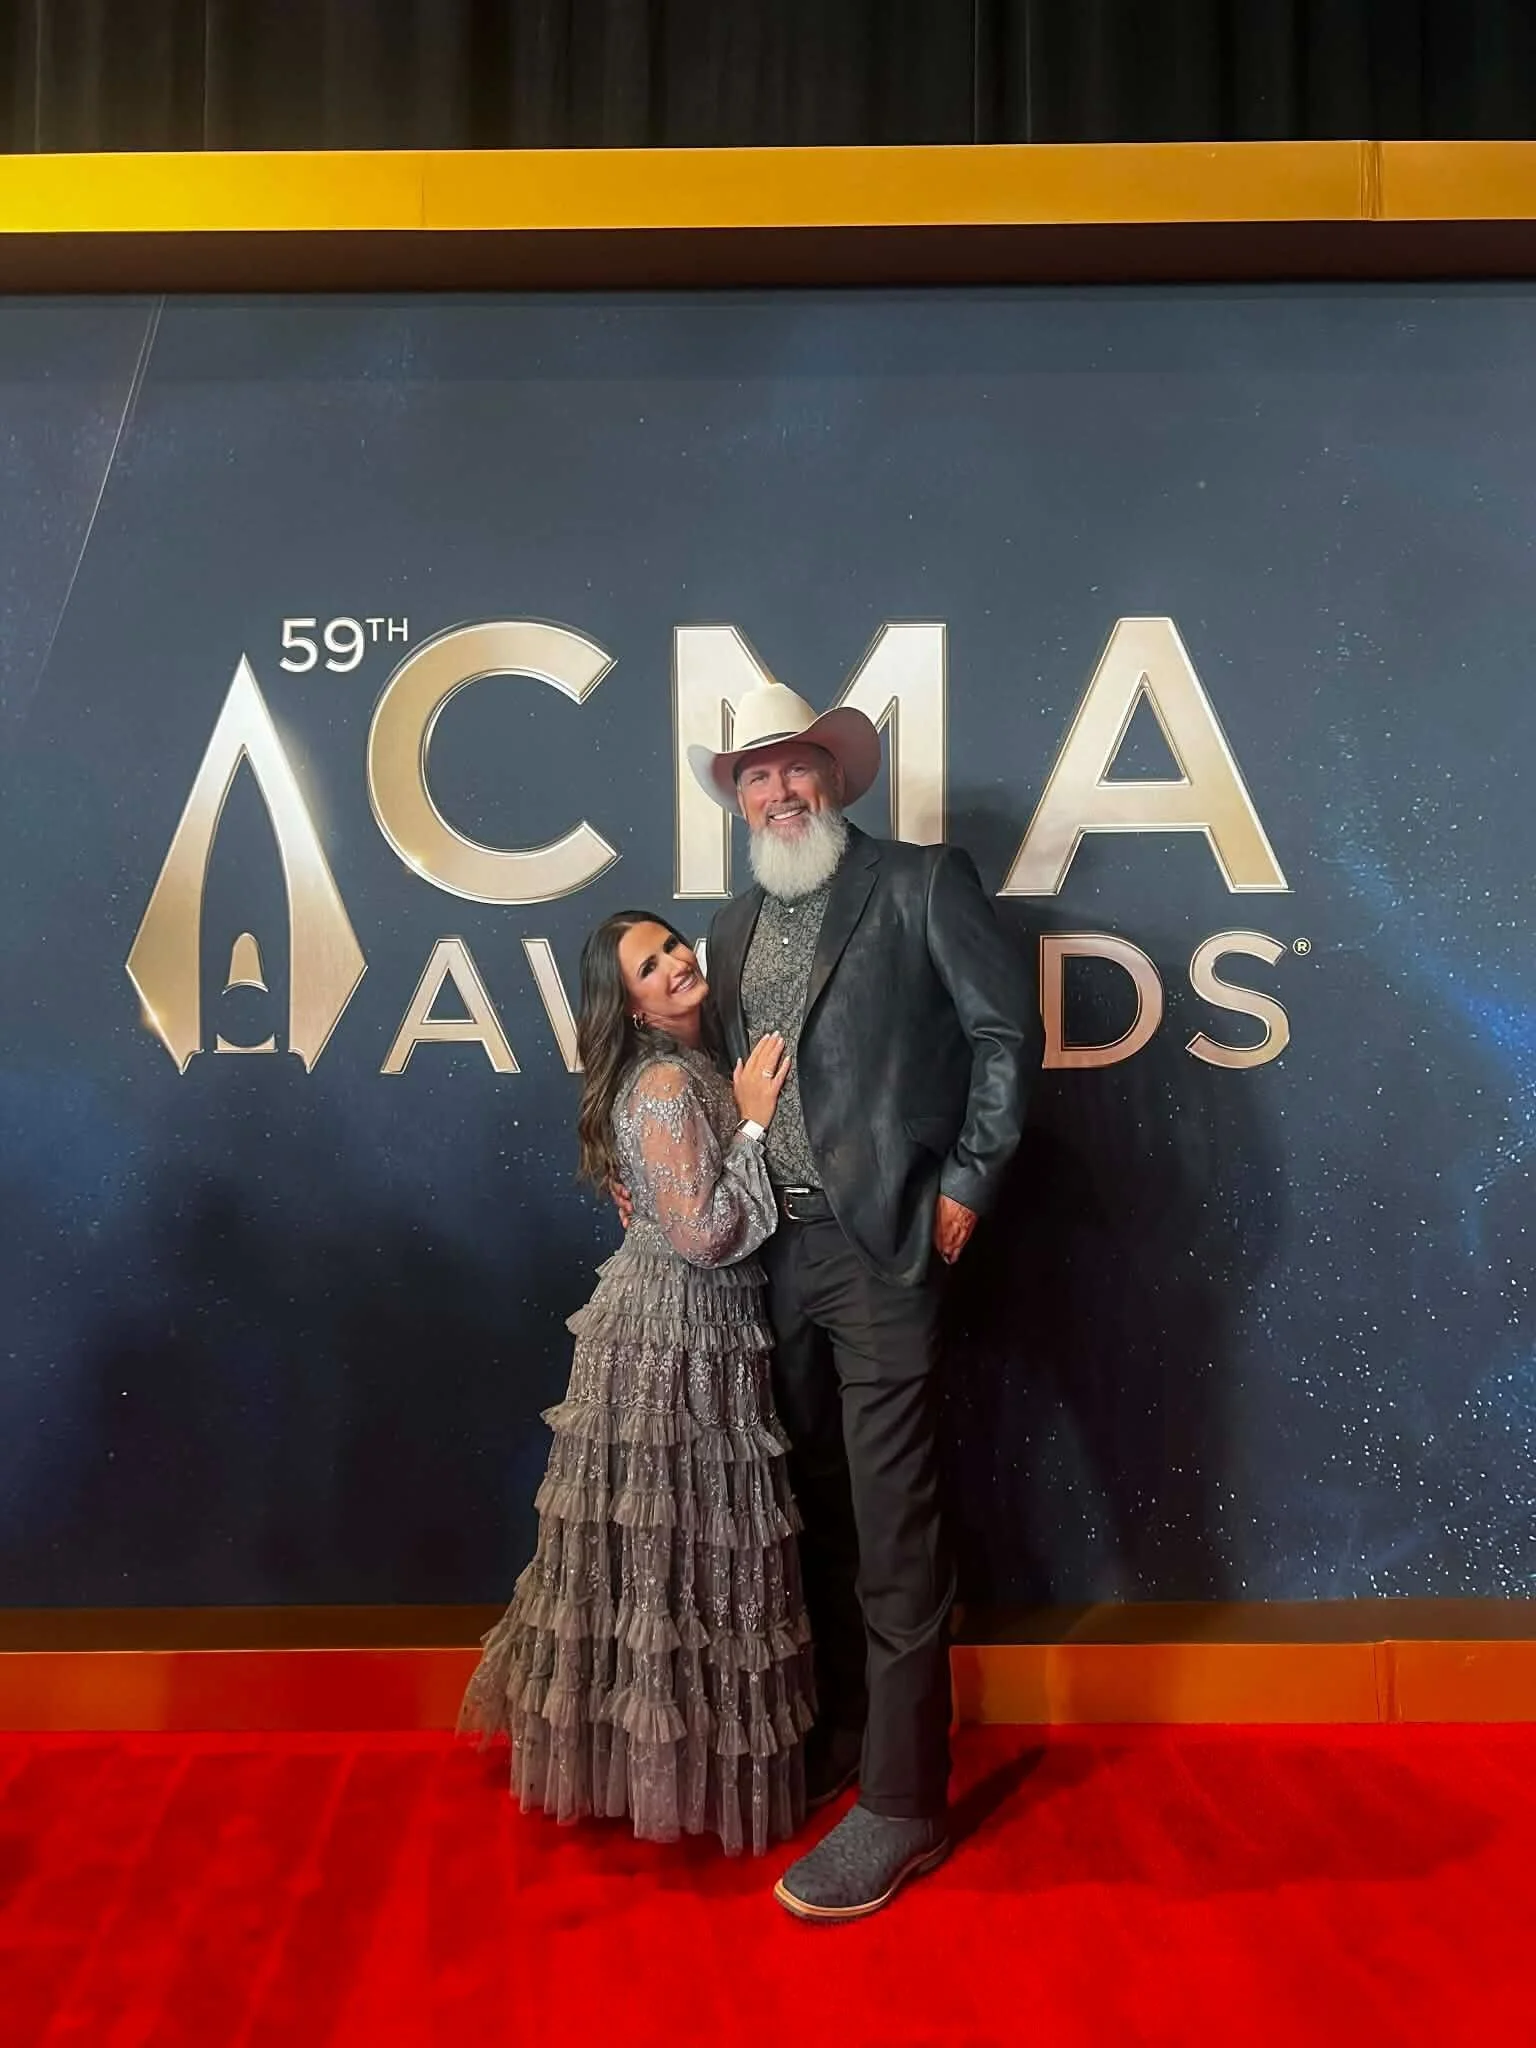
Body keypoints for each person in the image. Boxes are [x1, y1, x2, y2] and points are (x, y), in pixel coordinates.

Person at [687, 676, 1031, 1920]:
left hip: (883, 1247)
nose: (779, 790)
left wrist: (974, 1177)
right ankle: (839, 1739)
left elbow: (1005, 1031)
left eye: (796, 767)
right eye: (756, 775)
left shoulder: (919, 882)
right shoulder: (729, 927)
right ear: (739, 798)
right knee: (810, 1510)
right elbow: (713, 1088)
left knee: (896, 1527)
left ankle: (904, 1802)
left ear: (832, 775)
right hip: (767, 1260)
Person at [459, 910, 815, 1857]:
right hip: (669, 1337)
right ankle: (654, 1778)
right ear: (629, 1003)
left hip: (700, 1328)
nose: (674, 965)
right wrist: (750, 1124)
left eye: (671, 947)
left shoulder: (690, 1064)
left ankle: (674, 1769)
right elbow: (702, 1235)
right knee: (672, 1554)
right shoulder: (665, 1080)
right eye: (648, 966)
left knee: (691, 1559)